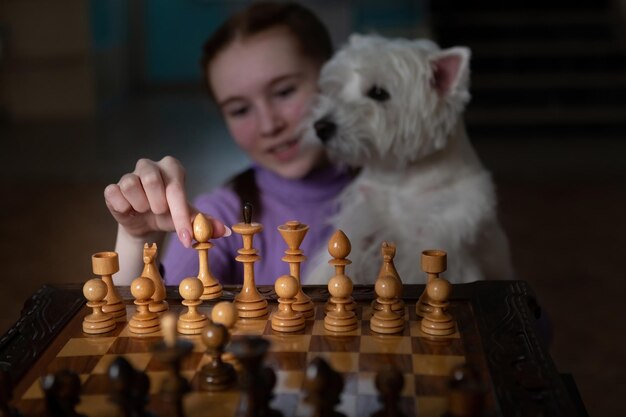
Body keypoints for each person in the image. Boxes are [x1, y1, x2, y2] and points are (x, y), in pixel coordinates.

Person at [104, 2, 353, 286]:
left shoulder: (398, 191)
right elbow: (157, 324)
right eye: (239, 110)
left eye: (284, 92)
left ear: (334, 78)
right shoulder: (220, 218)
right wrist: (137, 240)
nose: (269, 125)